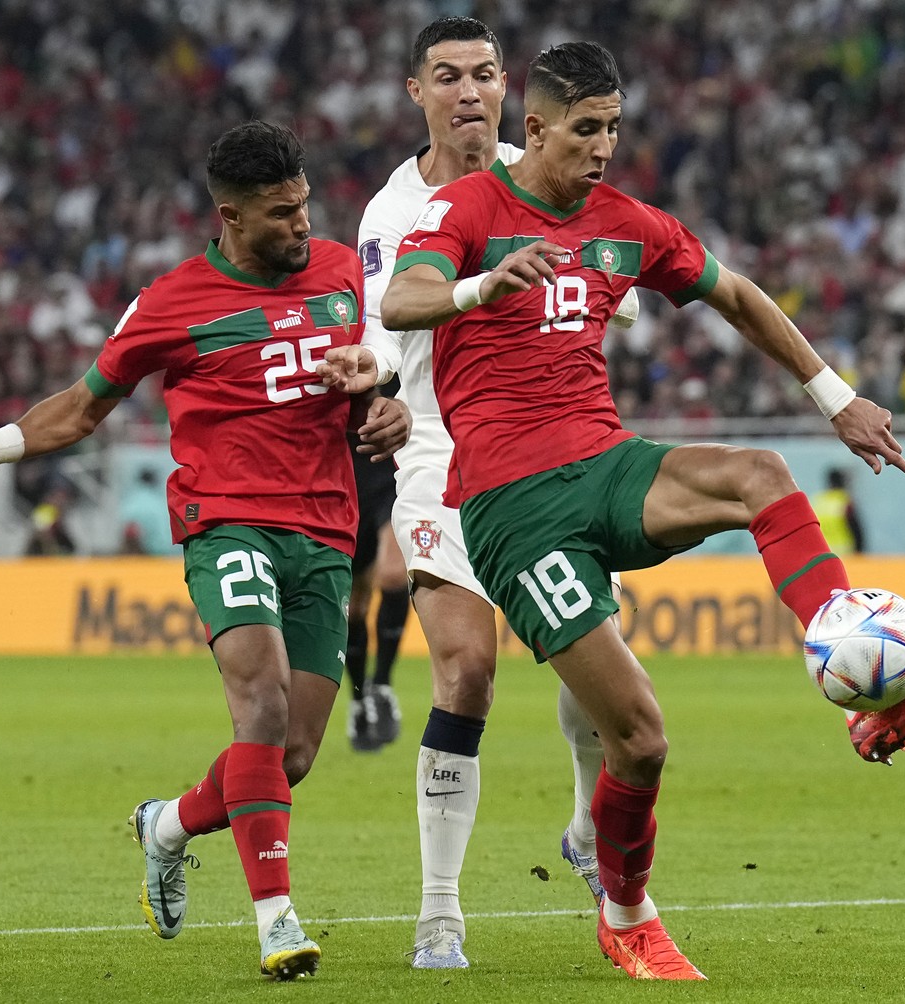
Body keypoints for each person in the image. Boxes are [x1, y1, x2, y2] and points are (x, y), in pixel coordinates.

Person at [335, 41, 905, 980]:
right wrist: (484, 284)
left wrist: (836, 397)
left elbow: (736, 295)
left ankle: (846, 658)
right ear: (538, 129)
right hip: (513, 509)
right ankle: (627, 911)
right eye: (586, 129)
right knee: (637, 736)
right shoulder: (471, 207)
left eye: (614, 128)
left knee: (760, 472)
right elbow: (402, 297)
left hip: (605, 464)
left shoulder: (625, 221)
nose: (603, 147)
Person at [0, 120, 410, 980]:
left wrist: (388, 400)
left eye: (303, 206)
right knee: (259, 702)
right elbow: (80, 406)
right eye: (280, 214)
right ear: (229, 217)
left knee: (291, 755)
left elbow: (381, 371)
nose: (301, 225)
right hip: (228, 520)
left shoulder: (338, 272)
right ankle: (277, 920)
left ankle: (169, 824)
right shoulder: (172, 302)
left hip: (327, 532)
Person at [341, 17, 623, 969]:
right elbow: (386, 328)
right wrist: (373, 391)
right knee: (467, 670)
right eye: (449, 76)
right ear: (414, 92)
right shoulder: (392, 214)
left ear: (513, 92)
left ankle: (585, 829)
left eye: (487, 74)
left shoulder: (544, 171)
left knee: (593, 675)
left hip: (548, 458)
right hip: (438, 457)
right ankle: (440, 911)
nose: (471, 91)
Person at [344, 397, 410, 753]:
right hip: (347, 477)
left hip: (392, 472)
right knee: (354, 605)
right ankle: (358, 699)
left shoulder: (401, 344)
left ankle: (382, 685)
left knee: (394, 573)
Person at [812, 467, 867, 555]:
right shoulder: (845, 501)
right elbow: (857, 531)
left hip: (823, 555)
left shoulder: (818, 501)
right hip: (845, 555)